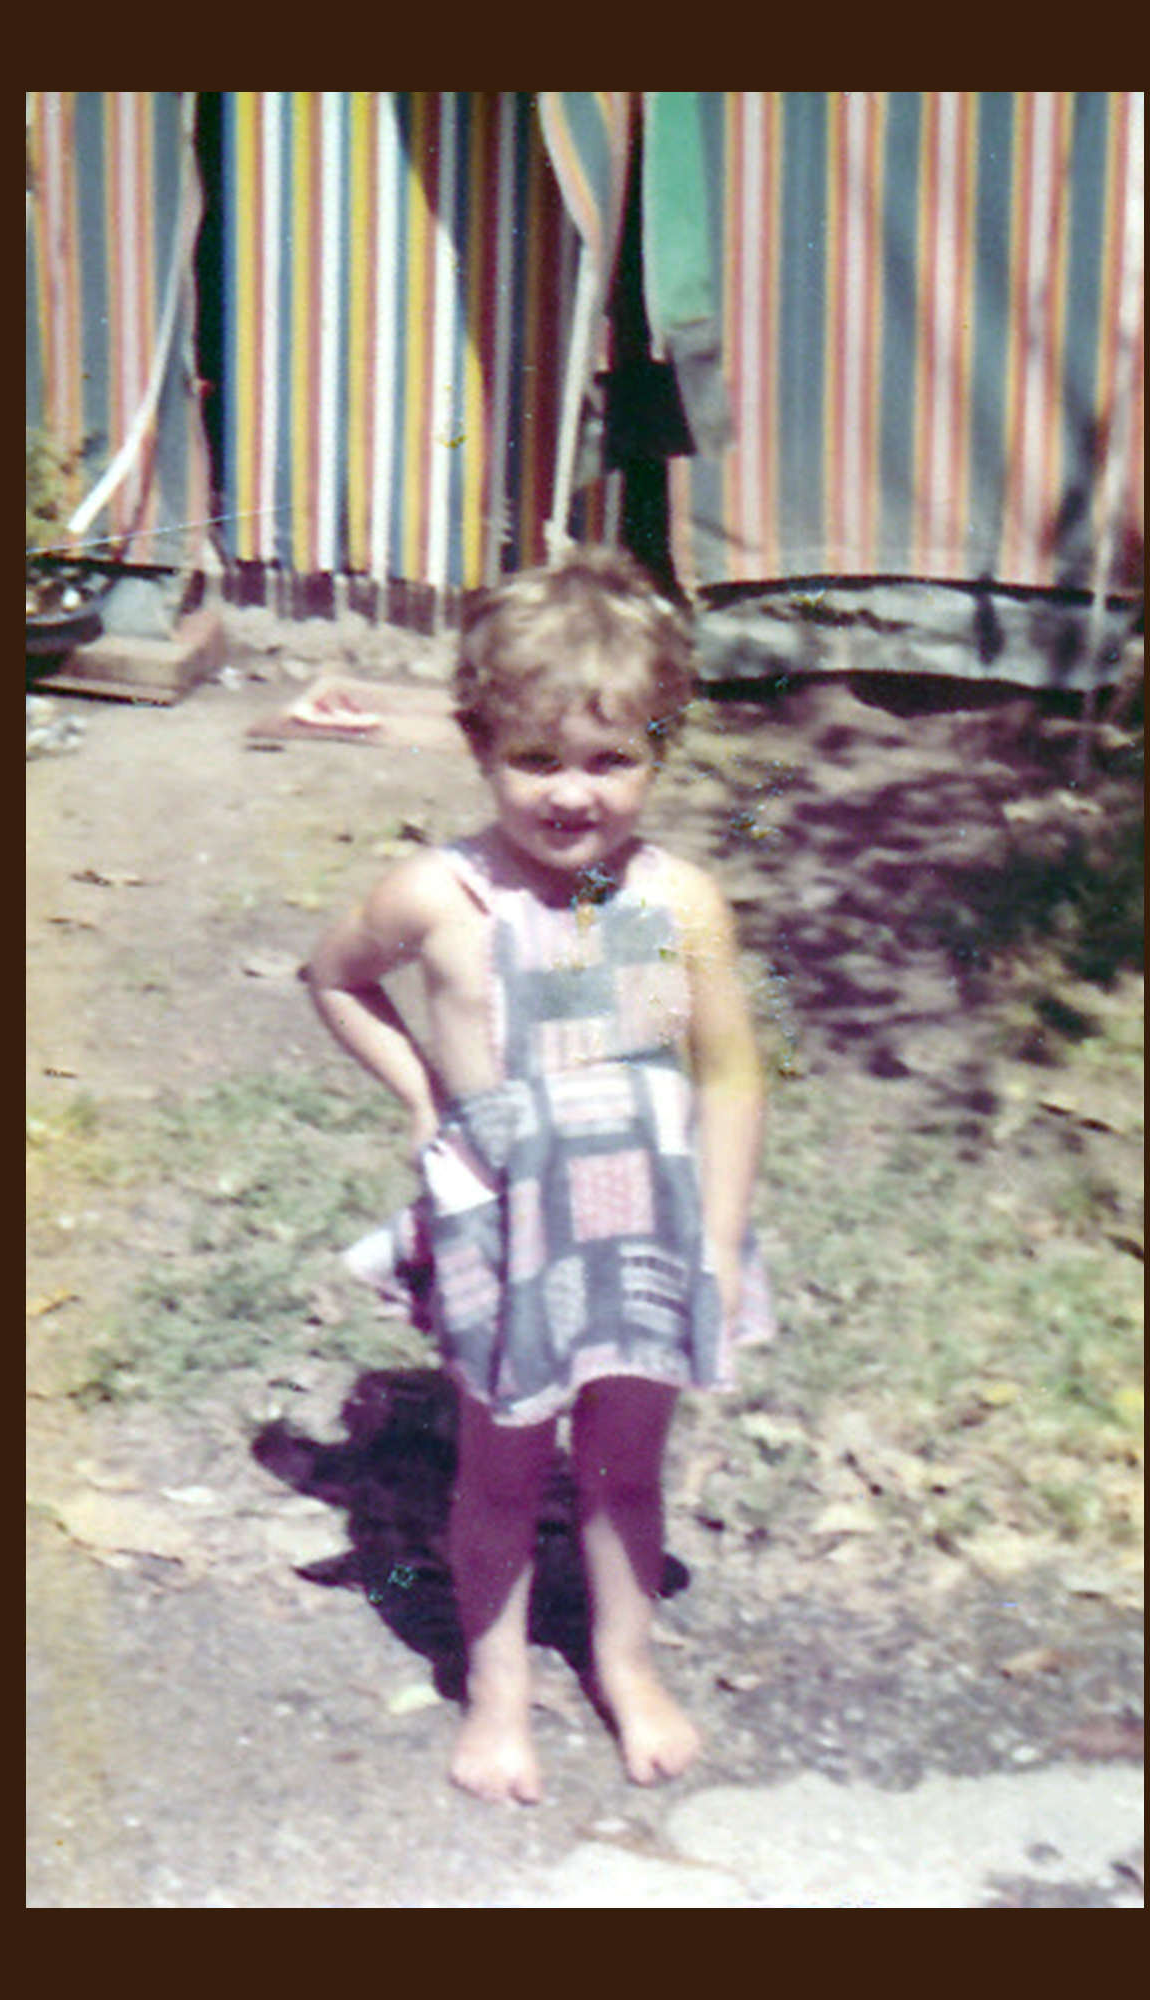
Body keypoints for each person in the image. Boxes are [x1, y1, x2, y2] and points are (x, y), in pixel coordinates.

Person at [304, 545, 773, 1804]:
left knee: (625, 1466)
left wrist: (718, 1246)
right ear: (477, 744)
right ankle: (498, 1687)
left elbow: (729, 1073)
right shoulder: (438, 893)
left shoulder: (685, 901)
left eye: (612, 759)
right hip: (512, 1233)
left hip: (645, 1227)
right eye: (538, 759)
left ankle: (626, 1661)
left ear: (663, 750)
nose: (575, 794)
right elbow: (333, 976)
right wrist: (421, 1093)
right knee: (502, 1470)